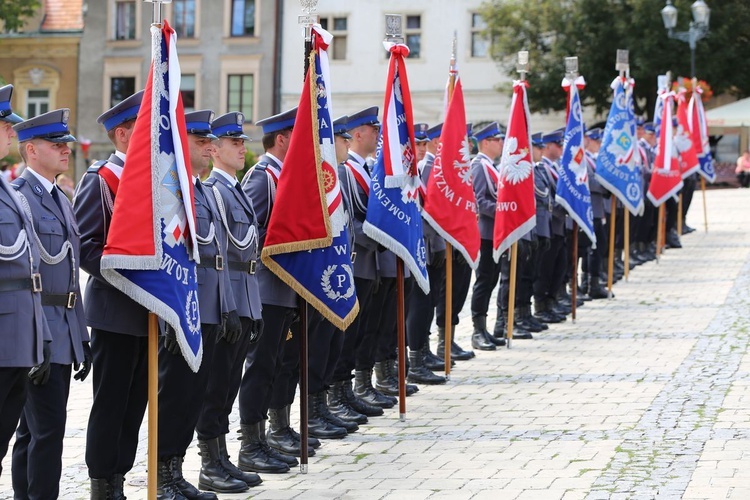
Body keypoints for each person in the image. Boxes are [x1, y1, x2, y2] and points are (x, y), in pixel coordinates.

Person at [155, 110, 242, 499]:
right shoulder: (170, 189)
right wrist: (167, 316)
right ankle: (161, 475)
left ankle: (175, 470)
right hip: (180, 308)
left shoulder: (203, 190)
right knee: (174, 394)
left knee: (194, 394)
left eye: (210, 140)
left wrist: (227, 307)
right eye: (199, 140)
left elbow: (218, 255)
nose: (209, 146)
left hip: (206, 307)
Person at [10, 109, 90, 499]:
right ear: (30, 150)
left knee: (37, 431)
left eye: (66, 145)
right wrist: (35, 340)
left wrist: (80, 337)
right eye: (56, 145)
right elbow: (27, 278)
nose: (65, 150)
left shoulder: (60, 196)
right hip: (39, 331)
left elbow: (70, 273)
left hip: (62, 330)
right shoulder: (20, 198)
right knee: (46, 431)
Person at [74, 90, 146, 500]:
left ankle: (120, 475)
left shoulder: (152, 185)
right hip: (114, 308)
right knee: (111, 401)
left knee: (135, 402)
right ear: (122, 135)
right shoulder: (102, 180)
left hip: (148, 309)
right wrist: (132, 275)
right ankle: (102, 483)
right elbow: (87, 248)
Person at [196, 111, 264, 491]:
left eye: (242, 142)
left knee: (228, 385)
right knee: (216, 384)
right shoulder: (215, 191)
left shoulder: (234, 189)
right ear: (216, 149)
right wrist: (229, 306)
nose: (241, 148)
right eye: (233, 143)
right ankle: (210, 462)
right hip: (226, 300)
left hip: (244, 298)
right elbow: (221, 254)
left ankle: (221, 456)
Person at [238, 108, 300, 474]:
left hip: (286, 288)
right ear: (281, 139)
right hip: (266, 287)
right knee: (260, 366)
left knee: (279, 363)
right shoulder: (263, 179)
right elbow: (251, 237)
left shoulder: (283, 177)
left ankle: (269, 434)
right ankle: (251, 441)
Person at [0, 84, 51, 479]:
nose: (11, 133)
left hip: (18, 333)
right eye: (5, 126)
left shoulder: (7, 188)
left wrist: (41, 334)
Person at [332, 107, 393, 413]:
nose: (379, 135)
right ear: (357, 134)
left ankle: (359, 386)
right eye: (374, 130)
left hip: (371, 262)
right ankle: (339, 393)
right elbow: (345, 222)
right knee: (347, 333)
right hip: (355, 262)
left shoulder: (366, 170)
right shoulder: (344, 172)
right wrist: (381, 236)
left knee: (366, 329)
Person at [405, 122, 446, 385]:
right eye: (417, 144)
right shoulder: (413, 173)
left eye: (423, 144)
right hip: (417, 250)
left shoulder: (420, 173)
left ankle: (423, 351)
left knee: (428, 303)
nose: (420, 149)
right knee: (417, 306)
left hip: (430, 249)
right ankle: (414, 360)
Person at [469, 122, 506, 350]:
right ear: (485, 142)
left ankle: (484, 328)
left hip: (495, 234)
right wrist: (503, 212)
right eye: (497, 139)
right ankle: (477, 330)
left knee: (492, 280)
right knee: (483, 281)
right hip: (484, 233)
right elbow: (479, 201)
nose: (501, 143)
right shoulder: (479, 166)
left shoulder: (491, 166)